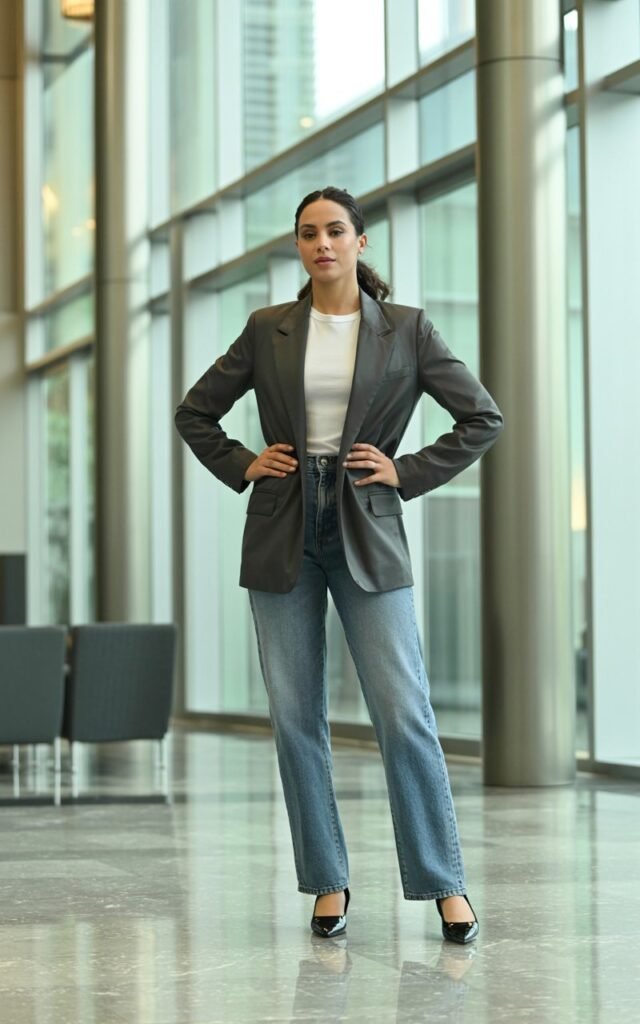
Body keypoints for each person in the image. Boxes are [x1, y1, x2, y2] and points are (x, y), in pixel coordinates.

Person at [175, 186, 503, 944]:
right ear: (299, 246)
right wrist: (243, 462)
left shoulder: (408, 330)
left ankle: (443, 882)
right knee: (296, 716)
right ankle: (327, 880)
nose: (321, 243)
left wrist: (405, 471)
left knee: (403, 710)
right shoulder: (267, 329)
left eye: (333, 231)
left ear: (361, 240)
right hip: (283, 524)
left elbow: (481, 417)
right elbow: (196, 412)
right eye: (307, 233)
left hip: (367, 522)